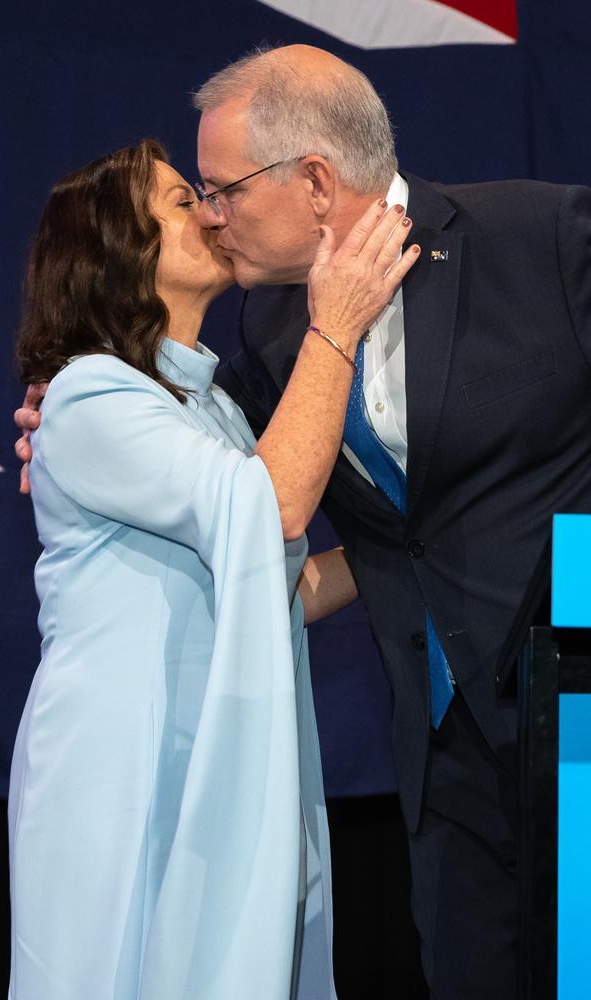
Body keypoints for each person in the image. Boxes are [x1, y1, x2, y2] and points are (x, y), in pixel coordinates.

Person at [188, 44, 591, 999]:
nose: (209, 217)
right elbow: (223, 482)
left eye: (222, 190)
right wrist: (84, 406)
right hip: (441, 760)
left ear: (317, 182)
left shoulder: (541, 237)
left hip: (575, 731)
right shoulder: (274, 331)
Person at [8, 137, 418, 1000]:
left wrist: (421, 548)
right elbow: (271, 509)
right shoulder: (86, 395)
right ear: (123, 249)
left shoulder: (218, 410)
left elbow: (286, 582)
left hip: (222, 758)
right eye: (184, 201)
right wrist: (335, 325)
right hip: (127, 772)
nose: (215, 210)